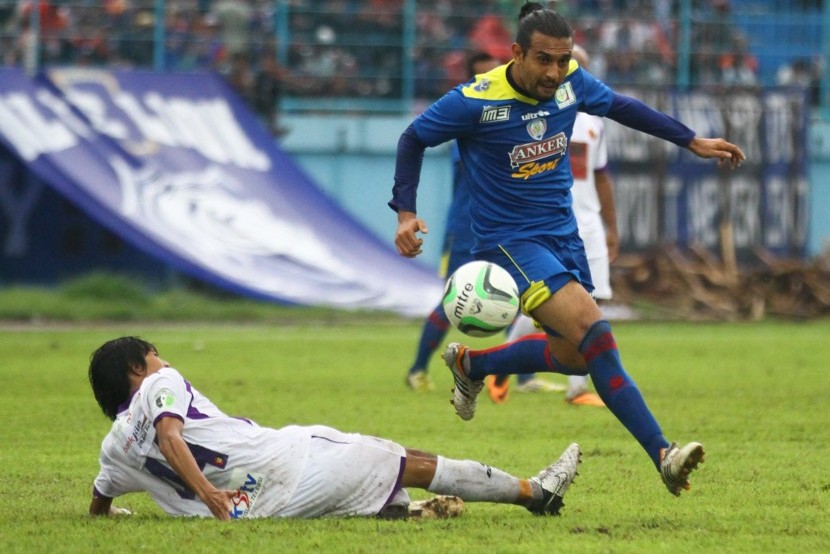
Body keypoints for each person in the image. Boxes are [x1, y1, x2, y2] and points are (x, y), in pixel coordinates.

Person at [390, 3, 744, 496]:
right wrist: (405, 213)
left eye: (562, 60)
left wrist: (691, 140)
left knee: (576, 358)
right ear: (516, 53)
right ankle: (664, 454)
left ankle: (473, 365)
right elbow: (413, 138)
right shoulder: (476, 99)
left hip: (563, 236)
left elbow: (621, 106)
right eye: (543, 60)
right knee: (596, 334)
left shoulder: (571, 81)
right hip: (508, 243)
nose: (554, 72)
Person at [87, 336, 581, 520]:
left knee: (380, 490)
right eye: (154, 355)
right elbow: (171, 437)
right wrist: (208, 495)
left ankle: (402, 514)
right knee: (409, 461)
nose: (165, 360)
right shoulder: (158, 385)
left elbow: (100, 498)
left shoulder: (113, 449)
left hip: (261, 511)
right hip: (289, 463)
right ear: (137, 369)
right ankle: (536, 493)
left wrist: (111, 514)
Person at [486, 44, 615, 408]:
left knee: (589, 303)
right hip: (555, 221)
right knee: (563, 305)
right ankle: (557, 382)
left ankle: (519, 370)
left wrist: (611, 226)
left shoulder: (595, 123)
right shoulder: (545, 114)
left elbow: (601, 176)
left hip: (589, 221)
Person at [405, 51, 502, 392]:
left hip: (503, 226)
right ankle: (417, 369)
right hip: (468, 228)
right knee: (453, 302)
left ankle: (519, 377)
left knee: (529, 294)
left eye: (494, 74)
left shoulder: (503, 117)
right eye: (482, 77)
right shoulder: (469, 123)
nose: (489, 82)